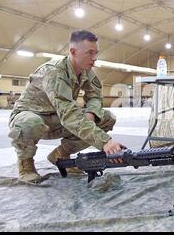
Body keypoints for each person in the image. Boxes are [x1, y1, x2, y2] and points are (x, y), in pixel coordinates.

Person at [8, 30, 124, 183]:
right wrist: (105, 142)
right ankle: (26, 165)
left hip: (58, 119)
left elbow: (95, 96)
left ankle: (60, 155)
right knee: (30, 123)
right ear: (73, 52)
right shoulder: (54, 72)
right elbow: (69, 115)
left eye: (96, 53)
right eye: (89, 53)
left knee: (106, 118)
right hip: (33, 117)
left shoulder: (87, 71)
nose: (94, 58)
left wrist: (91, 113)